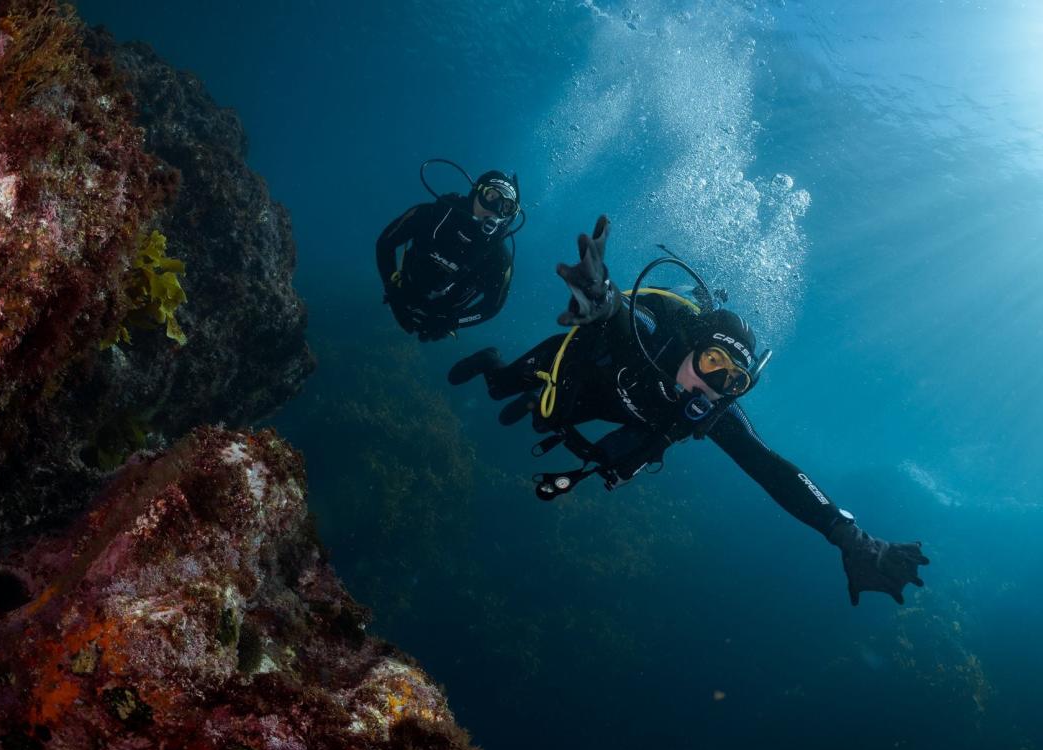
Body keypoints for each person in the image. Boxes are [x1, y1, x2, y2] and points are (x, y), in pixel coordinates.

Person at [448, 215, 929, 606]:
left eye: (731, 382)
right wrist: (602, 297)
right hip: (583, 372)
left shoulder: (713, 410)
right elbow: (622, 313)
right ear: (691, 348)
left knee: (543, 419)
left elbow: (769, 467)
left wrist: (849, 536)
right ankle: (497, 366)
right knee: (504, 392)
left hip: (615, 411)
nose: (711, 384)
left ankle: (536, 405)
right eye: (711, 363)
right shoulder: (652, 338)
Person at [375, 170, 519, 341]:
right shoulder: (431, 215)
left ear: (509, 216)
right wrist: (392, 289)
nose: (494, 209)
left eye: (506, 206)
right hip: (405, 288)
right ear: (476, 192)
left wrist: (452, 322)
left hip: (442, 314)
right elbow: (386, 244)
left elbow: (492, 306)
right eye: (491, 196)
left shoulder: (499, 258)